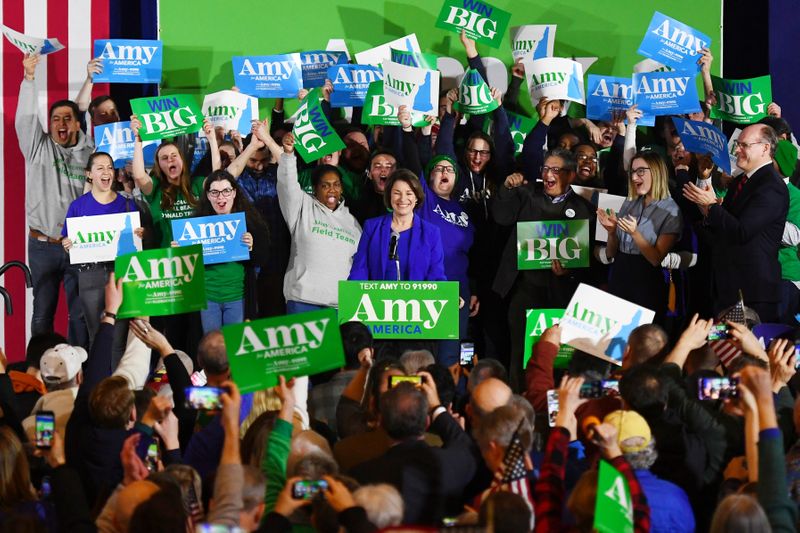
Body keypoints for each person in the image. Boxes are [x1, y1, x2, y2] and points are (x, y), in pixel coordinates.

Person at [493, 149, 596, 391]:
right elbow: (501, 216)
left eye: (555, 170)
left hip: (561, 296)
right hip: (524, 290)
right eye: (545, 169)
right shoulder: (527, 194)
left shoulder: (584, 211)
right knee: (520, 354)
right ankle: (520, 404)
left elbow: (589, 263)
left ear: (570, 175)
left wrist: (568, 273)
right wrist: (507, 189)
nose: (548, 174)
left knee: (557, 356)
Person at [17, 53, 94, 347]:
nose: (60, 123)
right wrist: (29, 78)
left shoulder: (91, 153)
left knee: (79, 315)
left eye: (67, 119)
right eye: (55, 119)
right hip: (42, 245)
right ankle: (39, 372)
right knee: (42, 314)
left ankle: (80, 371)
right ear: (48, 124)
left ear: (77, 124)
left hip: (78, 244)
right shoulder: (37, 147)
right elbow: (25, 118)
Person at [683, 124, 788, 321]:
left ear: (765, 148)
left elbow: (742, 231)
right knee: (721, 349)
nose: (737, 149)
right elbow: (723, 223)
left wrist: (712, 207)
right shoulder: (742, 181)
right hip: (727, 288)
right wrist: (705, 184)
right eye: (737, 144)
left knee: (750, 350)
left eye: (744, 145)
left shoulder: (772, 187)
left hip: (752, 294)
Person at [266, 125, 361, 313]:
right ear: (315, 188)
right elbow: (287, 183)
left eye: (336, 185)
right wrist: (288, 154)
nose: (332, 189)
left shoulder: (353, 222)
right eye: (325, 185)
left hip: (338, 306)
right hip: (302, 301)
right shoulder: (302, 207)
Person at [61, 152, 144, 347]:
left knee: (121, 333)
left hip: (122, 272)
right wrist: (67, 244)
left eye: (109, 167)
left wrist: (142, 234)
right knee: (96, 334)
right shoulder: (77, 206)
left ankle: (119, 377)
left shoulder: (128, 205)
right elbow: (68, 242)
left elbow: (140, 241)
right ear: (89, 174)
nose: (106, 172)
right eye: (100, 168)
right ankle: (99, 376)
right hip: (90, 275)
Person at [598, 151, 683, 318]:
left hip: (646, 282)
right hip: (619, 275)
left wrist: (635, 233)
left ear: (656, 171)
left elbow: (655, 259)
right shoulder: (630, 202)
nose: (634, 178)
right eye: (632, 172)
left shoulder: (671, 210)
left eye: (640, 171)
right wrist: (612, 232)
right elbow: (611, 253)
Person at [190, 170, 268, 332]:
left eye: (226, 191)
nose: (220, 198)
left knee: (236, 348)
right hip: (207, 298)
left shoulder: (250, 222)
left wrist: (252, 247)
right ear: (208, 195)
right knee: (212, 349)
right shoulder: (195, 226)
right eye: (215, 192)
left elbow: (261, 259)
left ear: (234, 193)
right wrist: (180, 252)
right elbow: (188, 267)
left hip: (238, 297)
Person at [349, 170, 445, 282]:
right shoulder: (372, 227)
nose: (403, 199)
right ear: (389, 196)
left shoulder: (431, 232)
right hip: (377, 298)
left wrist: (448, 296)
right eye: (397, 193)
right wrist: (353, 296)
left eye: (409, 193)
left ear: (417, 197)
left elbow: (436, 275)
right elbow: (359, 270)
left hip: (417, 299)